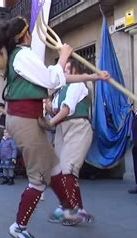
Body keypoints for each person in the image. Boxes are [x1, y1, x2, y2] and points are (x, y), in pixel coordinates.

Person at [0, 16, 109, 238]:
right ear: (24, 35)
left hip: (26, 118)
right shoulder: (23, 55)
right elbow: (51, 79)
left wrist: (94, 76)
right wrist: (63, 55)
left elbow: (60, 78)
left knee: (54, 167)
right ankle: (19, 226)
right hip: (25, 120)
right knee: (38, 179)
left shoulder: (20, 56)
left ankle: (69, 209)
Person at [45, 59, 96, 225]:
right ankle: (75, 208)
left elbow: (67, 109)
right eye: (64, 69)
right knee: (58, 171)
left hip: (77, 127)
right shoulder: (60, 91)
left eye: (68, 68)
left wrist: (49, 123)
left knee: (68, 169)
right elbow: (55, 111)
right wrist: (46, 102)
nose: (65, 72)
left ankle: (71, 208)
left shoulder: (78, 83)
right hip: (61, 129)